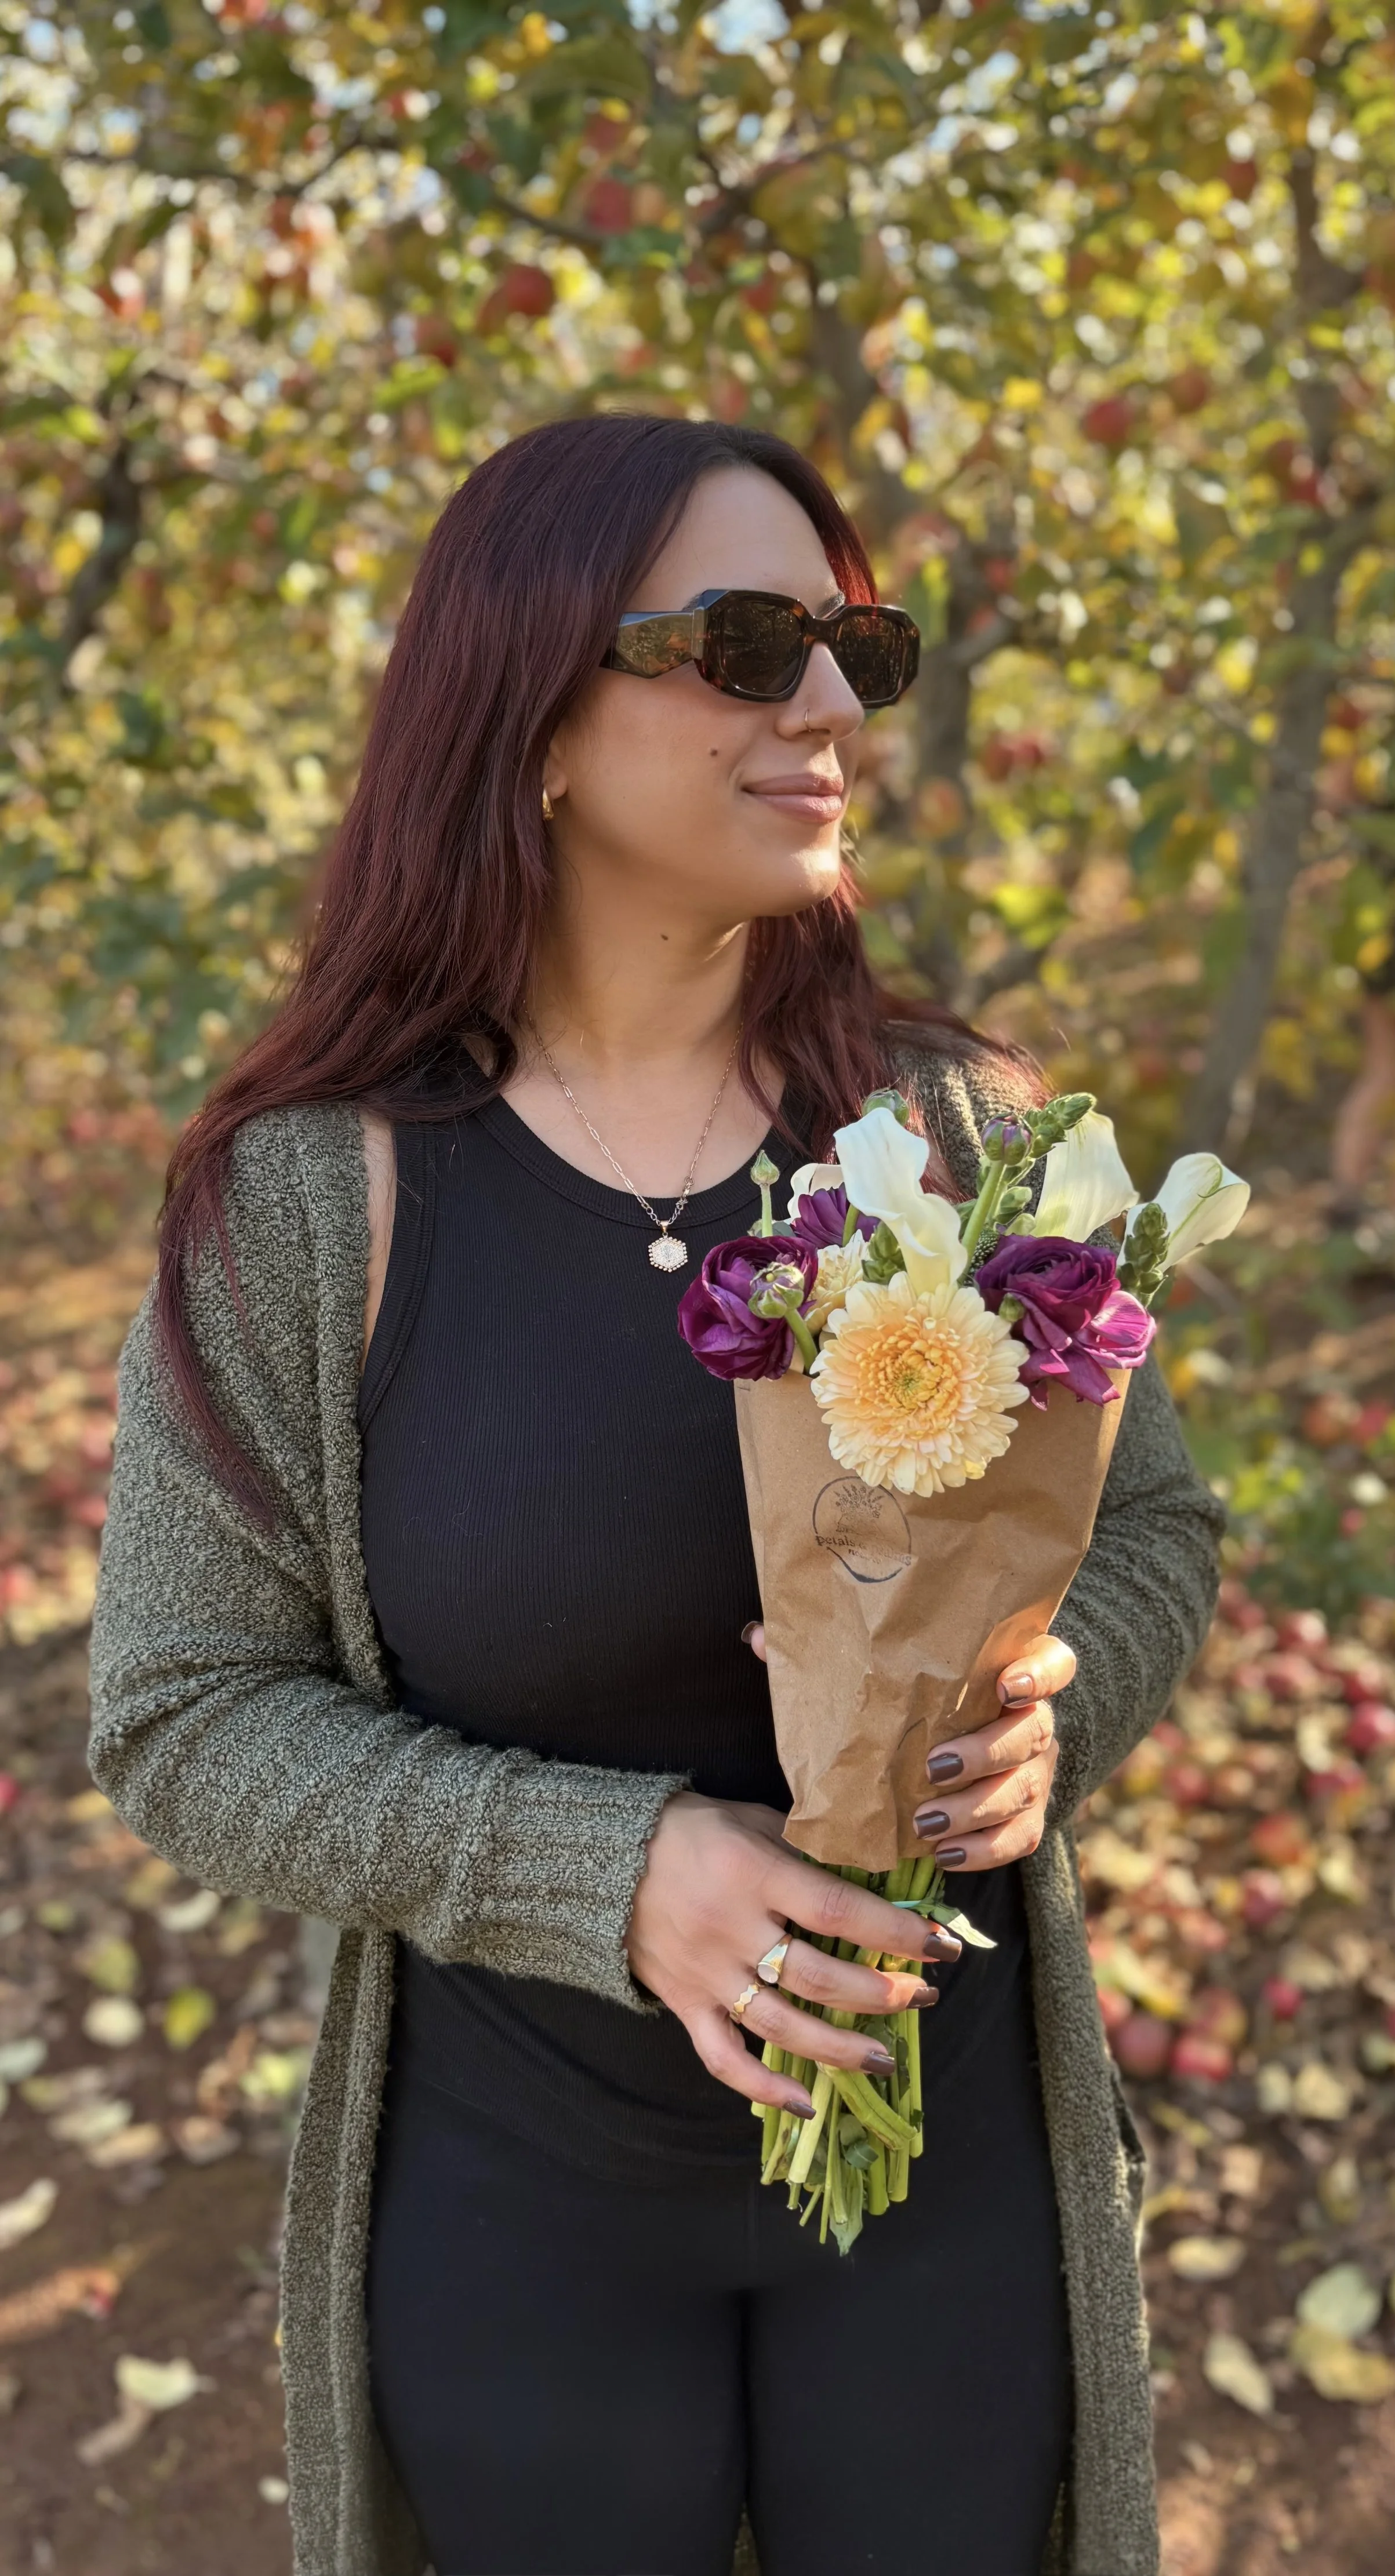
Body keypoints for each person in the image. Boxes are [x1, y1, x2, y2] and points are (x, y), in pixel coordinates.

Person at [89, 415, 1223, 2576]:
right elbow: (178, 1714)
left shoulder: (965, 1130)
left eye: (851, 651)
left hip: (946, 2178)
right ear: (525, 712)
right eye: (743, 642)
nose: (824, 705)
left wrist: (1062, 1707)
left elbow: (1154, 1530)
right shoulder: (315, 1205)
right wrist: (607, 1873)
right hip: (525, 2206)